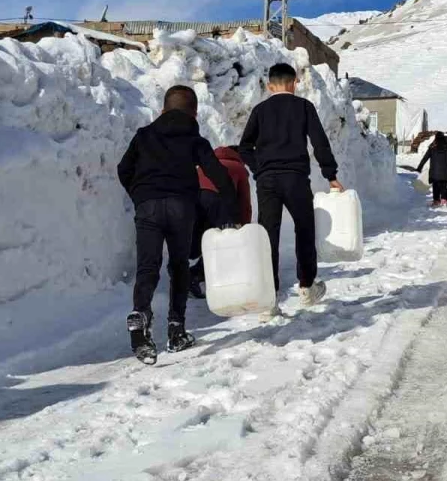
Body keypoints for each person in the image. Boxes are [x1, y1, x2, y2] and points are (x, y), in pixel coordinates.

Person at [117, 85, 240, 365]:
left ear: (162, 110)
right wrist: (230, 211)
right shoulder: (195, 140)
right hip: (181, 207)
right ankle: (176, 329)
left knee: (147, 266)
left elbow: (123, 169)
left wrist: (140, 195)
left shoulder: (143, 135)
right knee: (179, 265)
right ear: (194, 114)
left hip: (147, 206)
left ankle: (140, 314)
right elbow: (218, 175)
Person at [239, 63, 343, 315]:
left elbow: (244, 147)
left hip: (267, 182)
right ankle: (306, 287)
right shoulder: (304, 107)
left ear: (269, 85)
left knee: (268, 236)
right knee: (304, 230)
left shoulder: (260, 110)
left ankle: (268, 299)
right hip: (296, 178)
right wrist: (331, 175)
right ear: (295, 82)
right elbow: (320, 142)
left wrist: (259, 169)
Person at [189, 145, 253, 299]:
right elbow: (244, 203)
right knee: (223, 242)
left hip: (193, 199)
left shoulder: (204, 164)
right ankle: (195, 275)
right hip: (219, 200)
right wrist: (242, 229)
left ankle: (180, 273)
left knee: (196, 241)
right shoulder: (238, 168)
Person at [416, 132, 447, 207]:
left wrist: (419, 168)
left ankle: (436, 200)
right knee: (443, 185)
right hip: (444, 172)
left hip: (434, 172)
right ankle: (443, 199)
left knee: (435, 185)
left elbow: (425, 158)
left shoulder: (432, 147)